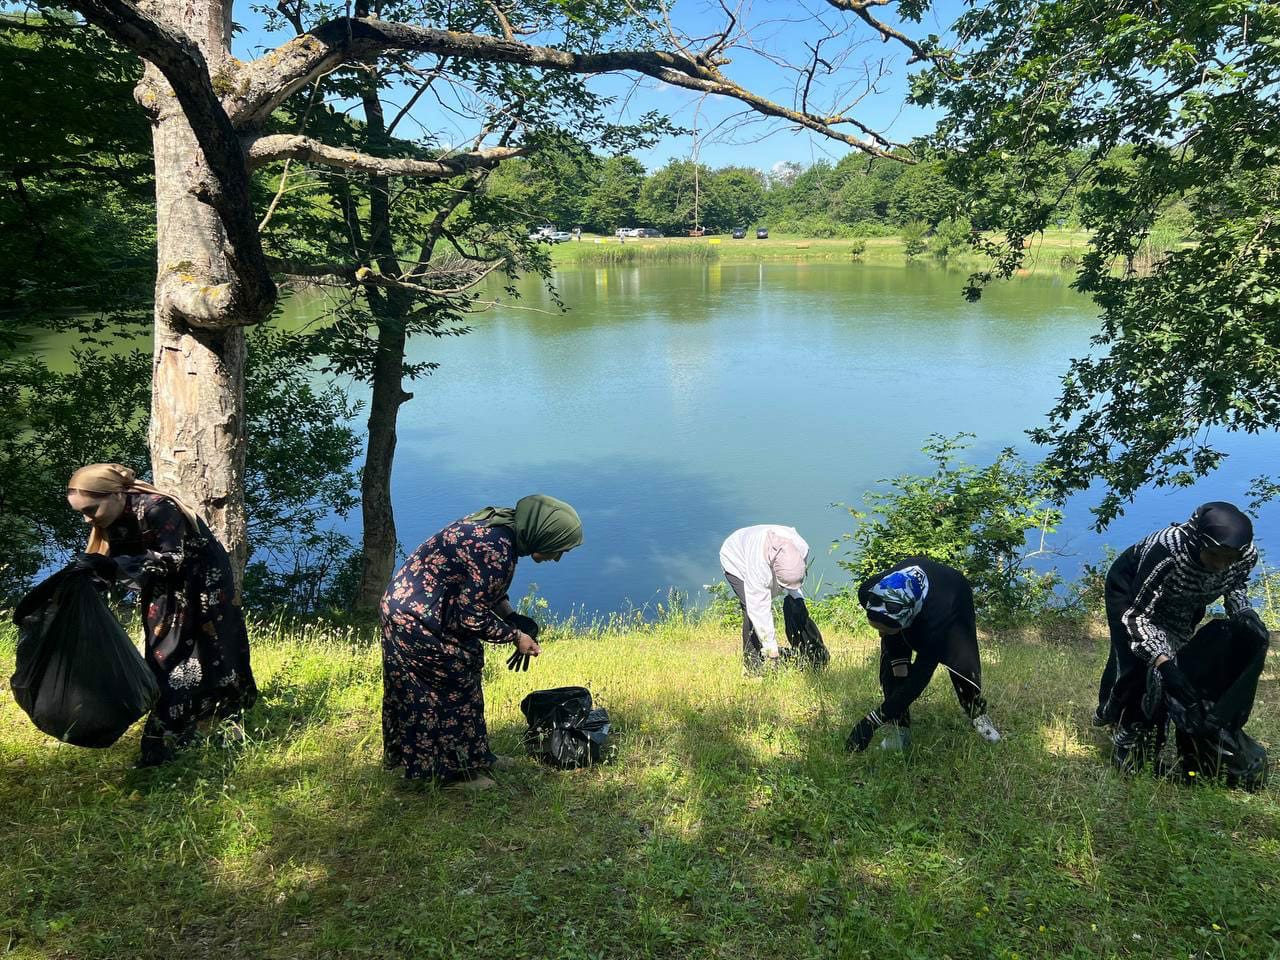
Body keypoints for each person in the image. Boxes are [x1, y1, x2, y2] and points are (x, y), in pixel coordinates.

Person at [380, 494, 583, 789]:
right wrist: (516, 637)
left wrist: (512, 616)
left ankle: (477, 757)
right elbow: (471, 617)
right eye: (558, 547)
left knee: (466, 679)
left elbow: (478, 586)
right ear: (542, 531)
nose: (557, 557)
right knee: (446, 689)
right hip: (415, 618)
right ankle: (452, 775)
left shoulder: (502, 528)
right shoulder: (497, 548)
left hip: (423, 609)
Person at [65, 463, 257, 766]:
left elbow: (172, 558)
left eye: (91, 510)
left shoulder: (157, 508)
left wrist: (113, 568)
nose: (89, 519)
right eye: (83, 514)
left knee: (203, 648)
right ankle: (185, 728)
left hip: (201, 580)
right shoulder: (114, 515)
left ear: (115, 495)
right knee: (163, 653)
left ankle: (173, 740)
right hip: (163, 584)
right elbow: (119, 559)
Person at [1094, 501, 1265, 773]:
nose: (1221, 565)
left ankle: (1142, 715)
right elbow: (1137, 616)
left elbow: (1235, 585)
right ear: (1198, 542)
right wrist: (1162, 662)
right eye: (1215, 555)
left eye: (1229, 558)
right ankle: (1124, 729)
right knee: (1137, 660)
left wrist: (1243, 612)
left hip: (1185, 600)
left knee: (1176, 661)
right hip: (1131, 592)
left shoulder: (1243, 555)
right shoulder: (1167, 551)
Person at [846, 558, 1001, 752]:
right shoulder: (869, 592)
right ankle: (900, 729)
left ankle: (977, 714)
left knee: (962, 662)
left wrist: (871, 721)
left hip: (952, 592)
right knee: (893, 662)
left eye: (883, 629)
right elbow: (888, 625)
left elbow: (919, 679)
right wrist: (897, 662)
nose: (879, 634)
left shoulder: (936, 621)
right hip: (906, 607)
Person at [719, 525, 809, 673]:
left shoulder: (801, 547)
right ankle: (752, 667)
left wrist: (798, 600)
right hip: (736, 558)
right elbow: (759, 609)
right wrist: (771, 650)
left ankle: (802, 651)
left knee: (797, 603)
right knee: (750, 610)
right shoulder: (758, 568)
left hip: (768, 557)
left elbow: (794, 576)